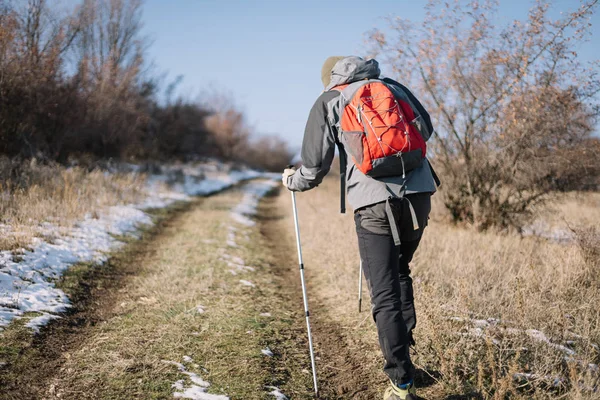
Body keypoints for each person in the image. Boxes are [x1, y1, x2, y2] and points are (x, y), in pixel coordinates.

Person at [281, 56, 438, 400]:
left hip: (373, 204)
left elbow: (313, 166)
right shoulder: (394, 88)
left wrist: (293, 181)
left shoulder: (329, 100)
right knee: (400, 270)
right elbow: (425, 128)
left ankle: (401, 381)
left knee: (383, 291)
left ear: (330, 78)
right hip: (419, 196)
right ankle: (407, 359)